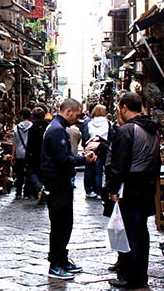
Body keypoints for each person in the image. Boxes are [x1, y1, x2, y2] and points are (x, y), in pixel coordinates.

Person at [106, 92, 161, 289]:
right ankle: (140, 274)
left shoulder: (127, 130)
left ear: (124, 107)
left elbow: (119, 163)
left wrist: (113, 188)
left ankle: (131, 276)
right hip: (146, 185)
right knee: (141, 231)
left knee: (129, 231)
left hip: (130, 185)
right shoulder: (152, 128)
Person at [41, 98, 97, 280]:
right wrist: (84, 159)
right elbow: (63, 160)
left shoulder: (58, 128)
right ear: (69, 111)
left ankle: (62, 259)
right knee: (60, 223)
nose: (79, 118)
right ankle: (55, 264)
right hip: (57, 184)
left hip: (59, 183)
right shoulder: (57, 130)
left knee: (65, 223)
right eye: (78, 114)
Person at [82, 104, 111, 199]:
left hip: (90, 148)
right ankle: (98, 191)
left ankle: (89, 190)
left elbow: (85, 136)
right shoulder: (107, 123)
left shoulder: (89, 123)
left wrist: (86, 146)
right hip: (101, 149)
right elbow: (110, 138)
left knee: (89, 170)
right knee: (99, 171)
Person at [25, 105, 49, 202]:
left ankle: (39, 188)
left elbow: (29, 144)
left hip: (34, 154)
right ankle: (44, 189)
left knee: (32, 172)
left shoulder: (32, 128)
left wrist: (28, 156)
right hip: (45, 154)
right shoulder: (48, 127)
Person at [12, 108, 33, 199]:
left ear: (22, 116)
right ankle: (27, 193)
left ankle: (18, 192)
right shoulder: (32, 126)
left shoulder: (16, 128)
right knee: (28, 173)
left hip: (19, 153)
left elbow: (14, 143)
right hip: (29, 153)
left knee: (19, 173)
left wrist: (13, 155)